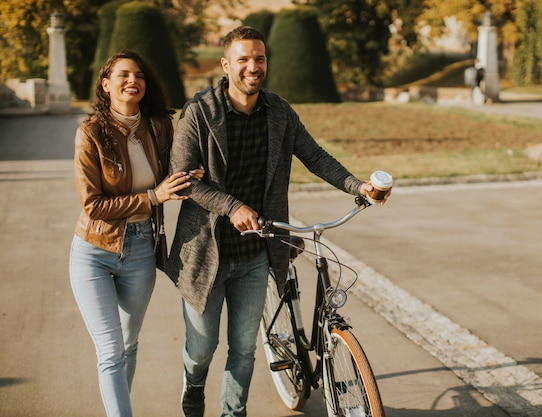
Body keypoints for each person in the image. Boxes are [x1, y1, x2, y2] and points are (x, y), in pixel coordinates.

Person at [166, 26, 391, 417]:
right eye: (243, 59)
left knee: (244, 347)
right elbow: (183, 179)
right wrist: (232, 206)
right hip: (206, 252)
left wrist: (359, 187)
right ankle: (194, 383)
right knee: (202, 347)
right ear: (226, 65)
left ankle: (232, 413)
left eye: (260, 58)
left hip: (258, 249)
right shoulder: (199, 113)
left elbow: (316, 156)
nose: (253, 67)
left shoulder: (279, 111)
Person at [69, 50, 203, 417]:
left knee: (128, 345)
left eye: (139, 75)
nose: (133, 81)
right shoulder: (90, 134)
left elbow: (171, 173)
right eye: (124, 75)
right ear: (106, 83)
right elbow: (93, 205)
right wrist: (153, 196)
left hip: (142, 247)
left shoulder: (159, 126)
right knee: (110, 349)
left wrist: (190, 176)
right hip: (93, 251)